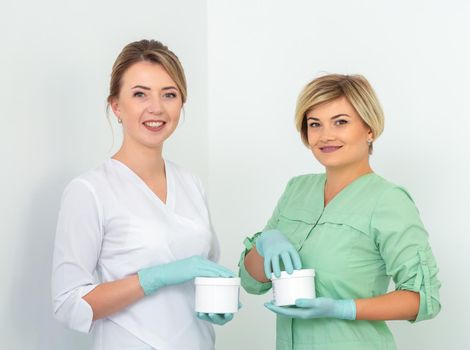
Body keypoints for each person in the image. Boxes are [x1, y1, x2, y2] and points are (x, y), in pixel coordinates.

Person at [52, 39, 236, 350]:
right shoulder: (90, 191)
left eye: (169, 94)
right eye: (140, 94)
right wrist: (152, 278)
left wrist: (218, 300)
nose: (157, 108)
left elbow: (206, 270)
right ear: (116, 106)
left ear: (181, 103)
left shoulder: (191, 183)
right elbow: (68, 304)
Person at [239, 74, 441, 349]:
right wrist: (265, 243)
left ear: (369, 128)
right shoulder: (297, 190)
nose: (326, 135)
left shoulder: (388, 200)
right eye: (315, 124)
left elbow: (422, 299)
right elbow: (253, 281)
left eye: (341, 122)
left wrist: (342, 309)